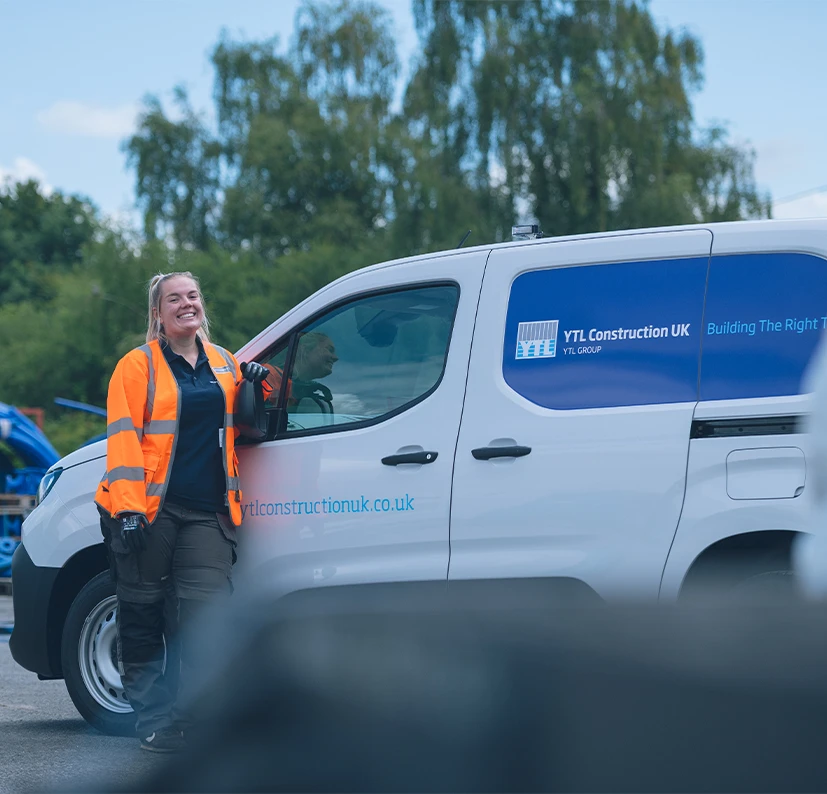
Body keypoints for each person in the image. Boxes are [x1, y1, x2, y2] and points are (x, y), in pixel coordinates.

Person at [94, 271, 267, 753]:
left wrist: (260, 386)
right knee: (143, 613)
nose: (186, 304)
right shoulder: (137, 366)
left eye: (192, 296)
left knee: (203, 619)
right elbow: (123, 440)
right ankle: (155, 721)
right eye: (174, 298)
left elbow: (248, 424)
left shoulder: (226, 363)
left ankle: (195, 718)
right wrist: (128, 510)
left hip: (209, 511)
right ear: (158, 313)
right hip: (150, 511)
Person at [264, 331, 338, 415]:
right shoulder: (268, 376)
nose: (336, 358)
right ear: (305, 350)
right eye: (330, 350)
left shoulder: (307, 391)